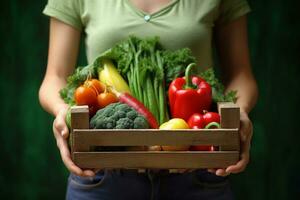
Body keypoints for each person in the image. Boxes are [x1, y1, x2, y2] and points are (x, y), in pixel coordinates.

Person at [39, 0, 258, 199]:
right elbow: (54, 78)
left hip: (199, 170)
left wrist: (239, 111)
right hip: (102, 175)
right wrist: (62, 112)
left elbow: (242, 76)